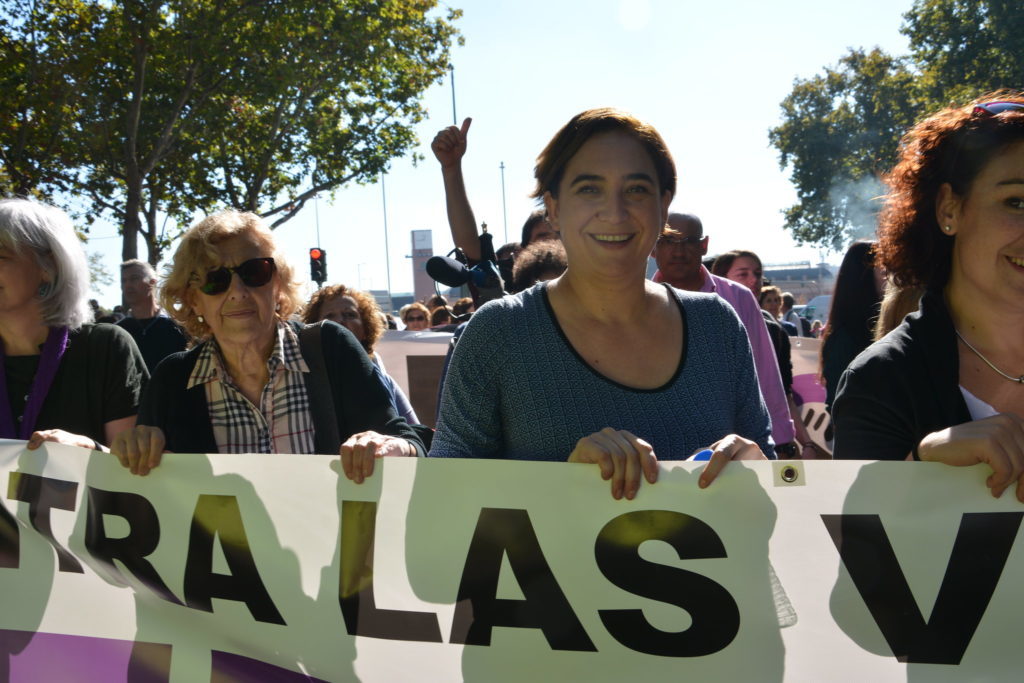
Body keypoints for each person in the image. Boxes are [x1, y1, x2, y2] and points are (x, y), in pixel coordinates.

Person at [430, 108, 771, 499]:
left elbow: (771, 471)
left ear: (664, 205)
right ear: (554, 208)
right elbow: (443, 498)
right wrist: (566, 487)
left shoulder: (718, 324)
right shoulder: (498, 332)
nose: (615, 212)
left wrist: (756, 466)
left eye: (636, 189)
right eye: (589, 188)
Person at [111, 210, 423, 481]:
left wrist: (393, 446)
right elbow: (140, 488)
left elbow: (409, 438)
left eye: (254, 272)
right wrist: (133, 449)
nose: (238, 291)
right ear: (194, 300)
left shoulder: (331, 349)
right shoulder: (172, 380)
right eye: (214, 280)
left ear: (277, 284)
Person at [832, 94, 1024, 500]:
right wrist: (918, 466)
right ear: (948, 210)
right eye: (1016, 201)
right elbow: (856, 552)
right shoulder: (880, 381)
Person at [0, 199, 147, 450]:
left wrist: (90, 452)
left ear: (49, 266)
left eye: (1, 256)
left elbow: (136, 474)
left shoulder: (105, 348)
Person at [651, 214, 803, 456]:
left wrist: (781, 439)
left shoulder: (738, 297)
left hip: (731, 446)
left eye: (688, 241)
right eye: (668, 241)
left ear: (704, 245)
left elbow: (764, 371)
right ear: (652, 247)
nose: (678, 251)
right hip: (659, 444)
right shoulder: (635, 300)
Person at [712, 249, 812, 458]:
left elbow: (783, 393)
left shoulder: (775, 331)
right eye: (743, 274)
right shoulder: (705, 322)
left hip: (765, 447)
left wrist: (801, 443)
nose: (754, 280)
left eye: (758, 273)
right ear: (720, 279)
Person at [302, 284, 418, 425]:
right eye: (330, 316)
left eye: (350, 314)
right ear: (314, 327)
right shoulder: (302, 380)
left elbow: (413, 432)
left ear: (365, 329)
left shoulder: (385, 381)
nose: (340, 321)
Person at [818, 241, 883, 413]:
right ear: (863, 275)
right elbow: (840, 405)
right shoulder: (844, 338)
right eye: (884, 266)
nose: (891, 274)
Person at [117, 259, 188, 373]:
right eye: (123, 281)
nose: (127, 285)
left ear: (152, 283)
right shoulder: (118, 332)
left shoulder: (177, 327)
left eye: (134, 278)